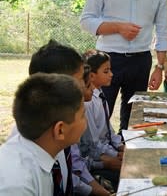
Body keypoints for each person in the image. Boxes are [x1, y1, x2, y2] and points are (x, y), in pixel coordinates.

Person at [80, 0, 167, 131]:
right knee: (99, 113)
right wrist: (118, 27)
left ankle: (126, 157)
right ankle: (97, 158)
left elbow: (163, 31)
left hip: (141, 61)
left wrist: (159, 67)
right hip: (107, 61)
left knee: (133, 119)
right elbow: (86, 21)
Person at [26, 39, 111, 196]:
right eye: (81, 79)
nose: (88, 84)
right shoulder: (22, 177)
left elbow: (75, 168)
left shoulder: (56, 135)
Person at [0, 73, 86, 195]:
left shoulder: (43, 151)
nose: (85, 120)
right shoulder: (18, 186)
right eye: (83, 115)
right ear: (60, 130)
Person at [81, 50, 123, 191]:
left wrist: (121, 147)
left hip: (106, 151)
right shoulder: (88, 102)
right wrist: (116, 155)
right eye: (106, 71)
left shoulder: (99, 93)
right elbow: (93, 145)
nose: (111, 74)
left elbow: (108, 129)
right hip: (97, 159)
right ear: (91, 76)